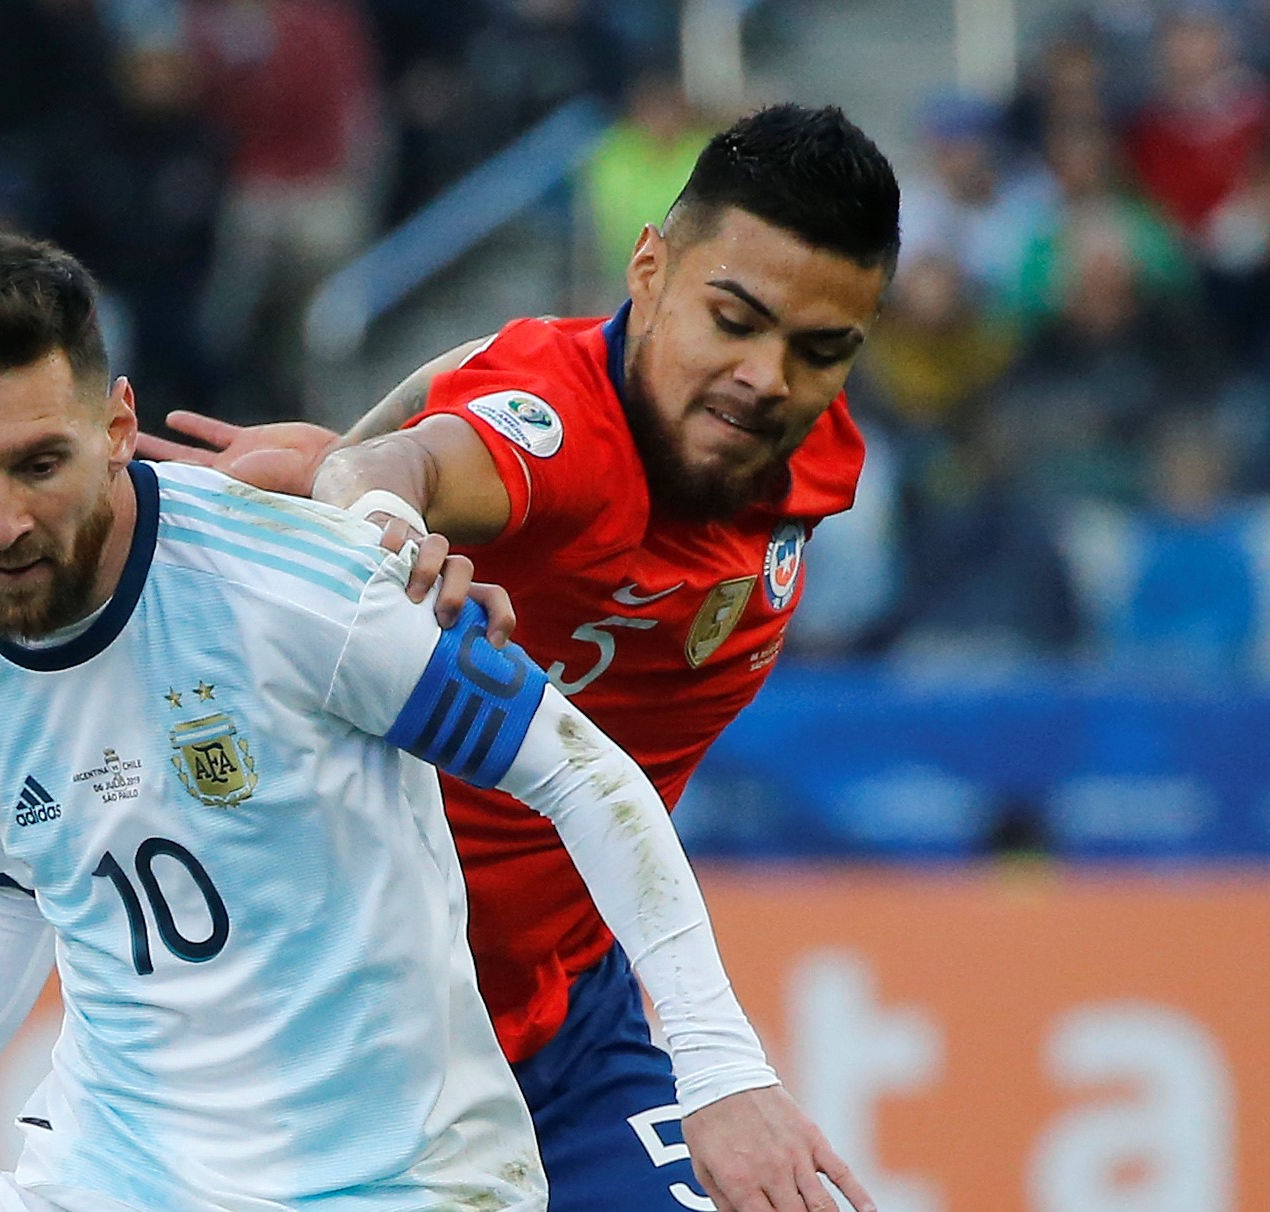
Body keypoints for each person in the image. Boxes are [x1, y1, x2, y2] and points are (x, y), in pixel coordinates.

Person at [0, 234, 866, 1212]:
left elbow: (582, 775)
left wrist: (719, 1072)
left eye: (41, 465)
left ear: (118, 425)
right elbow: (5, 894)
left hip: (390, 1182)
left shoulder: (300, 589)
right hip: (114, 1172)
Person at [138, 104, 898, 1211]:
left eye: (817, 348)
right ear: (650, 268)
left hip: (563, 1022)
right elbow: (408, 470)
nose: (765, 378)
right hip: (349, 1051)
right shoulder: (557, 444)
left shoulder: (805, 450)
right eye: (732, 319)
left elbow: (473, 373)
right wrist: (369, 504)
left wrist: (338, 450)